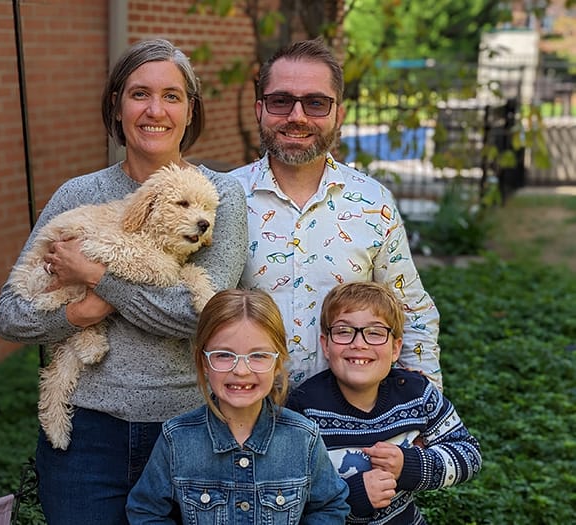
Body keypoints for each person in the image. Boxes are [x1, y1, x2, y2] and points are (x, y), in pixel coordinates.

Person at [0, 39, 248, 525]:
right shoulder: (79, 194)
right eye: (139, 94)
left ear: (191, 109)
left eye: (172, 96)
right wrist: (74, 313)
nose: (156, 110)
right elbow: (9, 317)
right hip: (86, 436)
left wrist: (98, 281)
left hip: (190, 430)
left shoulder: (219, 197)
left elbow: (199, 317)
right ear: (117, 103)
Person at [230, 38, 442, 390]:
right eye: (281, 101)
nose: (296, 117)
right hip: (246, 419)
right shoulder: (223, 198)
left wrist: (423, 415)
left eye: (316, 103)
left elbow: (413, 314)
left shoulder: (372, 203)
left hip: (350, 426)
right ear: (259, 109)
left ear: (339, 115)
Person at [125, 289, 350, 523]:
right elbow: (145, 510)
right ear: (203, 361)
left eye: (258, 356)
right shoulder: (177, 438)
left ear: (277, 362)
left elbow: (330, 506)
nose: (241, 371)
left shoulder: (303, 438)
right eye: (224, 355)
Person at [287, 282, 482, 524]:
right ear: (326, 345)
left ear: (396, 348)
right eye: (344, 331)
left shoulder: (416, 393)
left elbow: (469, 454)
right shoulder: (303, 407)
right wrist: (353, 497)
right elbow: (286, 495)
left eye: (376, 332)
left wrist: (408, 466)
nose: (359, 343)